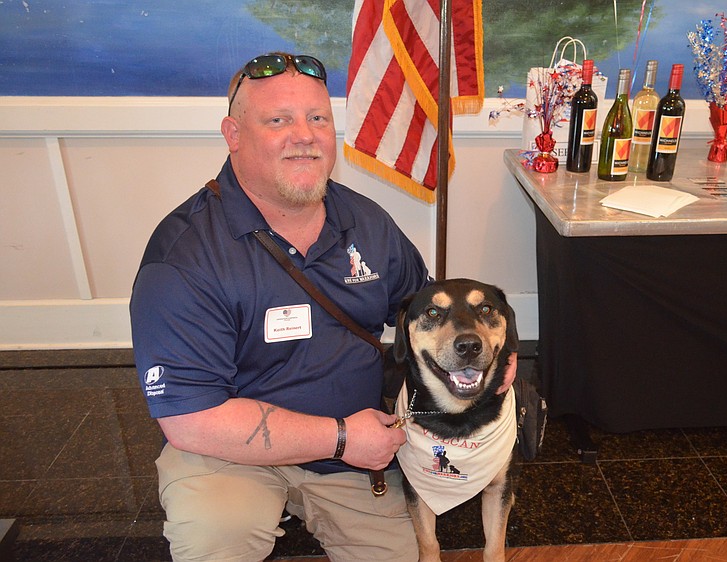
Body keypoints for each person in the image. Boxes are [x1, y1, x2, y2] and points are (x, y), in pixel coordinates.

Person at [130, 51, 516, 562]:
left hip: (350, 459)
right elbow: (191, 421)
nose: (305, 135)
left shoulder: (367, 224)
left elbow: (425, 317)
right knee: (216, 539)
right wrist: (339, 438)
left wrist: (495, 353)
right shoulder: (184, 258)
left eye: (317, 119)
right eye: (278, 120)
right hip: (233, 453)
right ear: (234, 134)